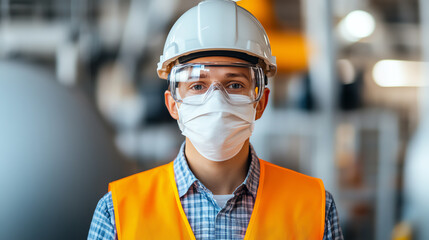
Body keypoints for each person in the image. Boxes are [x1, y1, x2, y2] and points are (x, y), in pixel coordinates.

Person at [88, 0, 344, 239]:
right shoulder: (117, 213)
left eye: (234, 84)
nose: (216, 100)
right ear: (173, 104)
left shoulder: (315, 209)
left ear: (261, 103)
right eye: (198, 86)